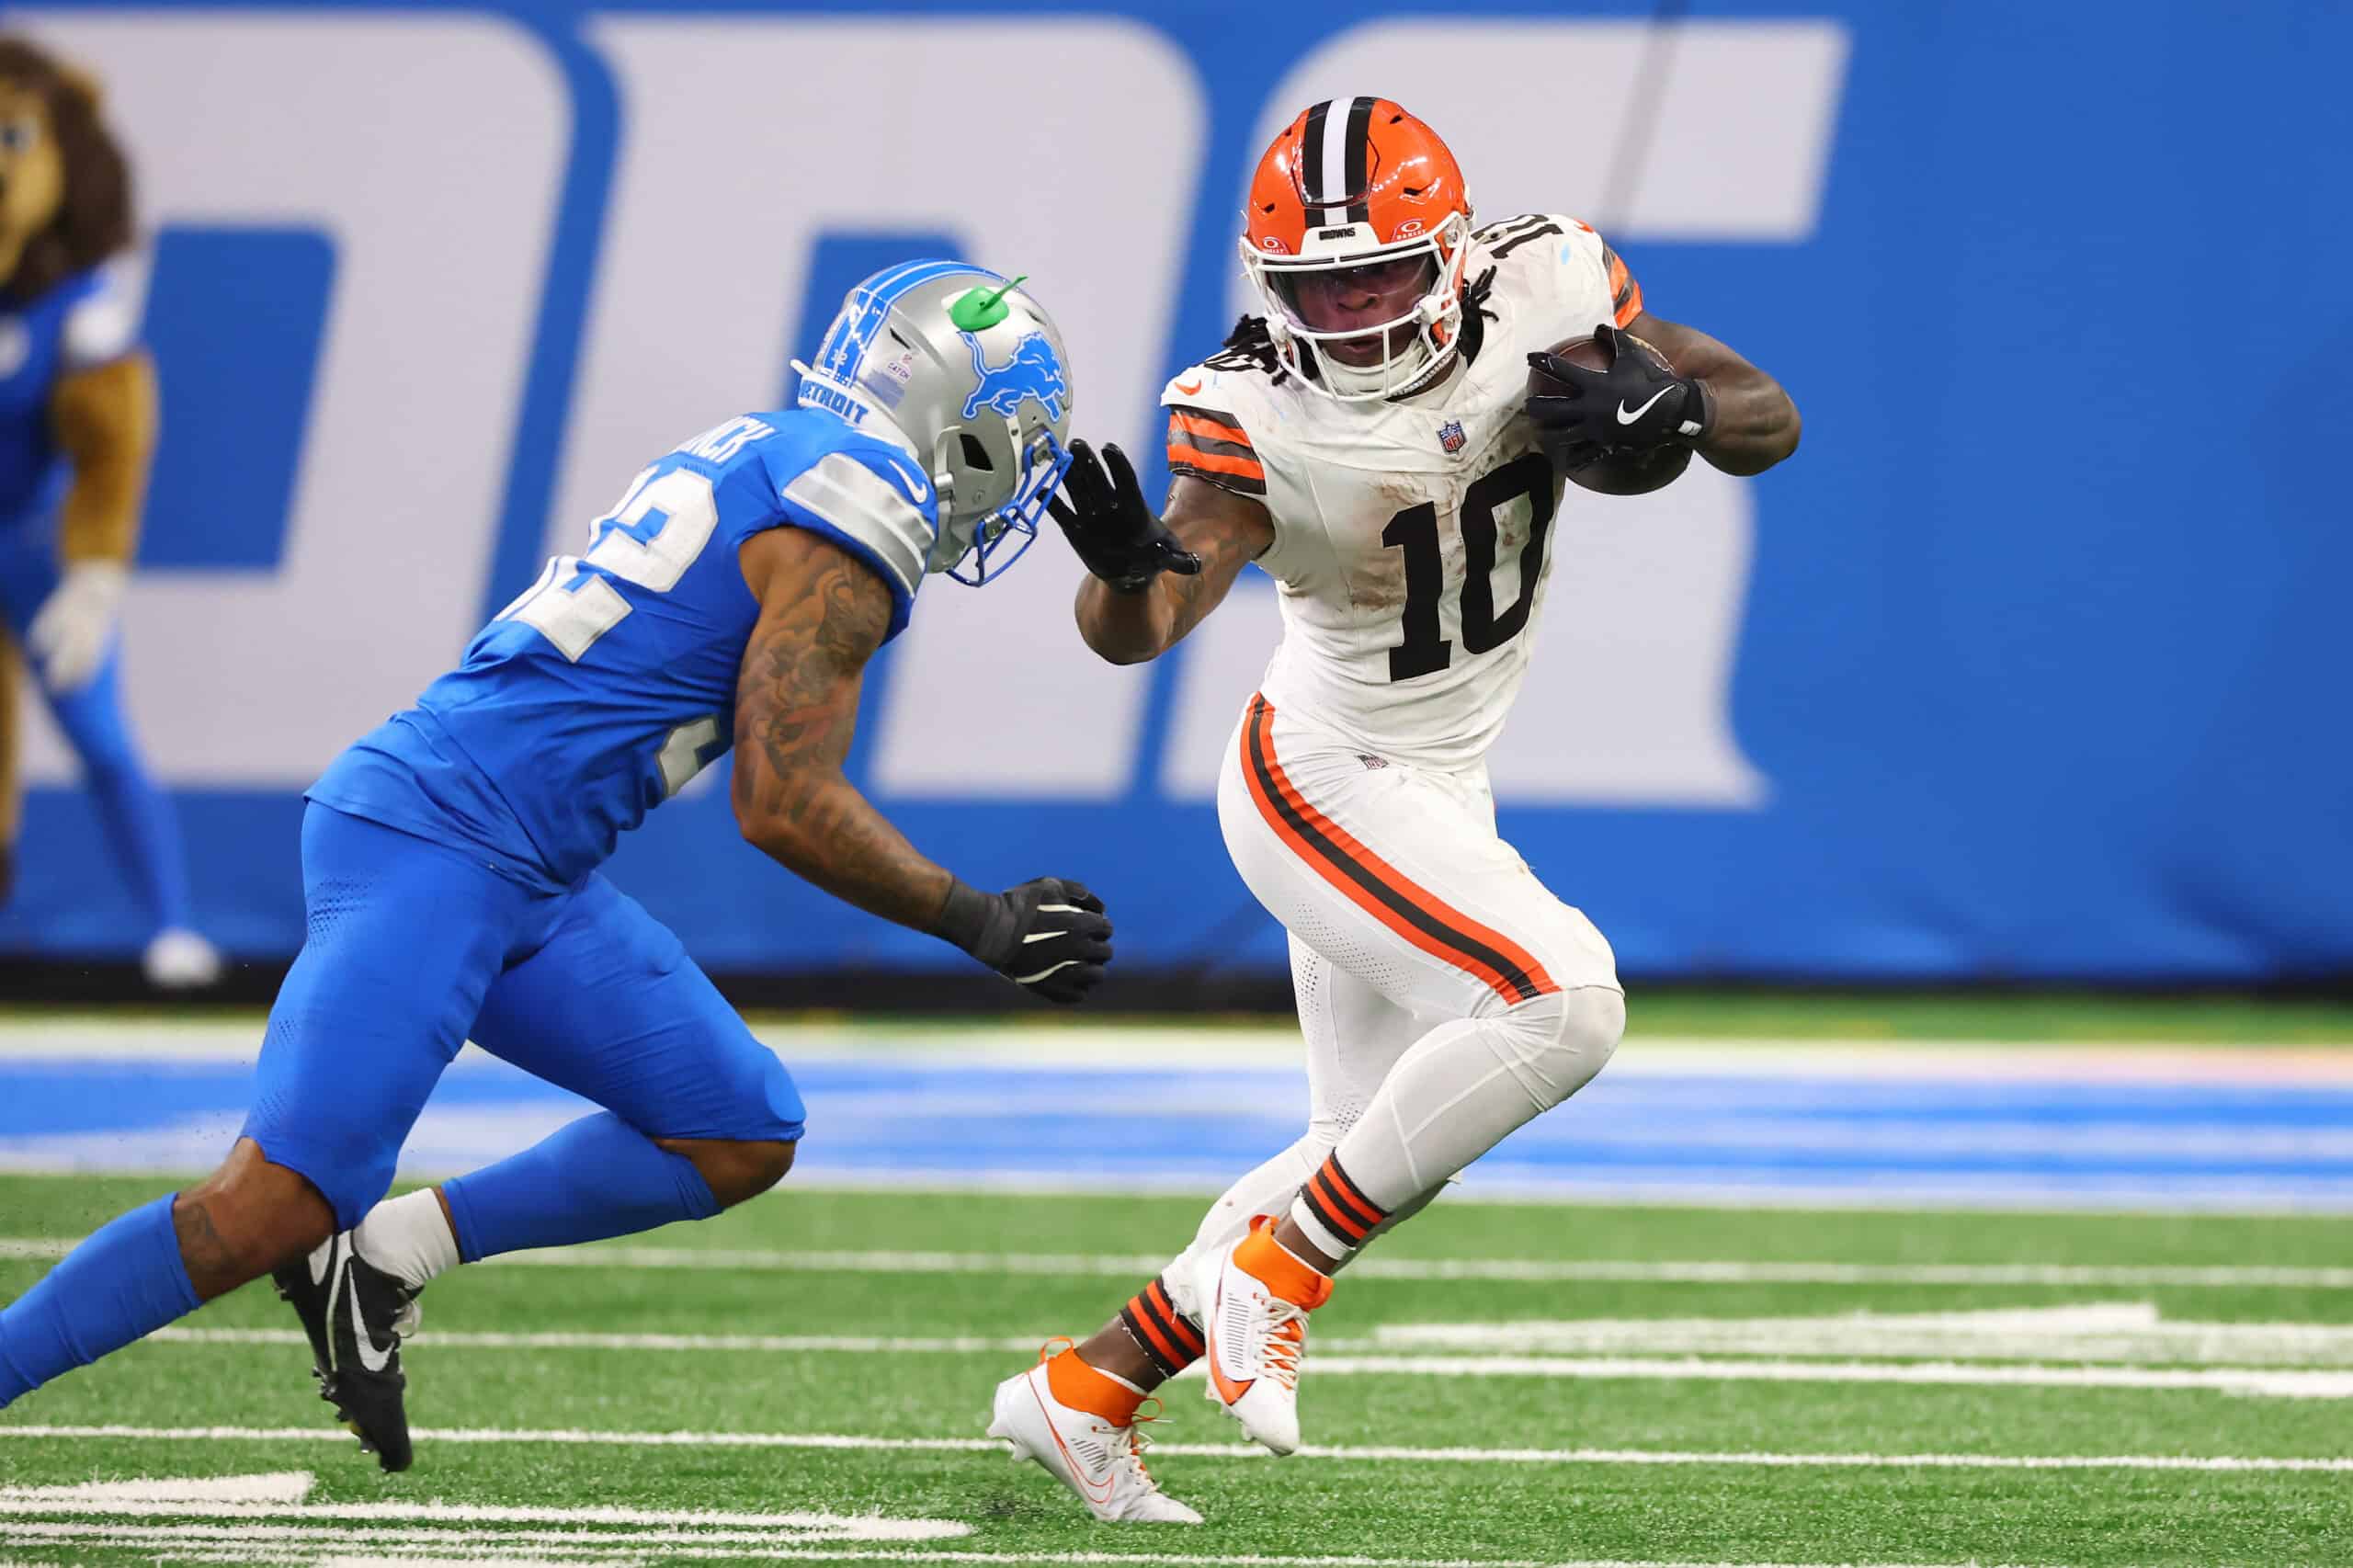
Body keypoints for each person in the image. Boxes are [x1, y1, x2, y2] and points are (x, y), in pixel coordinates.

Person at [0, 260, 1116, 1474]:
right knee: (267, 1203)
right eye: (1019, 451)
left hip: (525, 866)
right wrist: (979, 919)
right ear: (966, 430)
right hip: (437, 838)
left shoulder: (780, 448)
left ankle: (383, 1258)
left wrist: (1134, 582)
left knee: (736, 1125)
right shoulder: (864, 512)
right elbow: (783, 801)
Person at [987, 97, 1800, 1523]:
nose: (1355, 315)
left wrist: (1672, 405)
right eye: (1321, 288)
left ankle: (1091, 1384)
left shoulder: (1549, 283)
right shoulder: (1252, 408)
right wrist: (1124, 570)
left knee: (1373, 1139)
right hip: (1321, 777)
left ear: (1456, 257)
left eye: (1379, 277)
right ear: (1270, 289)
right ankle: (1283, 1270)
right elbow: (1144, 621)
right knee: (1566, 1001)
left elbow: (1767, 421)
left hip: (1437, 779)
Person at [0, 37, 216, 986]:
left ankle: (171, 925)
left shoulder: (81, 310)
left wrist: (92, 577)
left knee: (100, 735)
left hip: (36, 550)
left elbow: (111, 448)